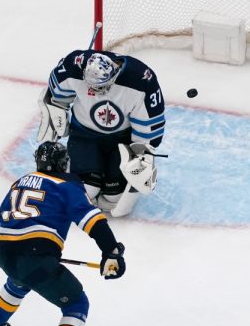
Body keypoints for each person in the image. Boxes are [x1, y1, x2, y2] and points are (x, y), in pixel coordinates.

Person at [0, 141, 126, 326]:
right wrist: (111, 251)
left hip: (5, 254)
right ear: (62, 163)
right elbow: (92, 220)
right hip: (34, 257)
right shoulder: (67, 186)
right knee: (76, 304)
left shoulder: (21, 181)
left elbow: (5, 219)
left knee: (18, 281)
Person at [36, 49, 165, 217]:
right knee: (85, 193)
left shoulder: (140, 80)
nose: (94, 92)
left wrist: (141, 155)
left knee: (113, 199)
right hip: (84, 135)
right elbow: (56, 95)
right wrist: (55, 109)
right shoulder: (74, 65)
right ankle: (84, 170)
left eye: (100, 87)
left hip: (120, 141)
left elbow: (148, 129)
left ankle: (103, 175)